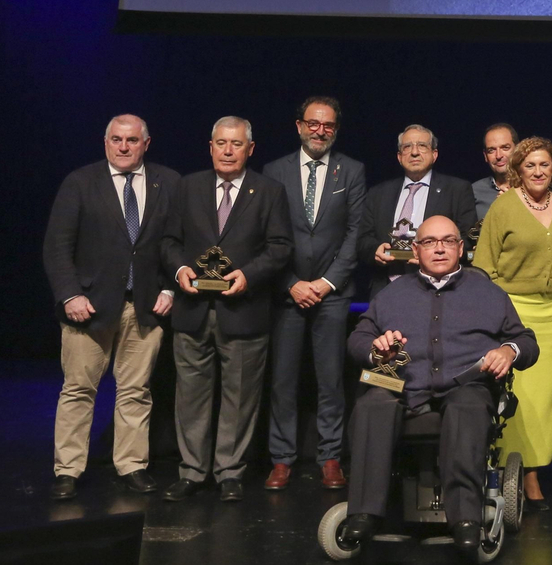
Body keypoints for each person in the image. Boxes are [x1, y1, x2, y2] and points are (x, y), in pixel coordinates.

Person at [336, 215, 539, 560]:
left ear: (461, 248)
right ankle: (364, 512)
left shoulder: (489, 293)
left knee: (467, 407)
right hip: (404, 383)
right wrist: (375, 348)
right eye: (430, 241)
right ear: (415, 250)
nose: (440, 247)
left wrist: (508, 350)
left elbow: (526, 342)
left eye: (448, 240)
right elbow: (358, 338)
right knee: (373, 403)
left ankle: (464, 519)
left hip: (467, 383)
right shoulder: (392, 294)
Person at [41, 114, 180, 499]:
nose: (123, 146)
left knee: (136, 390)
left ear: (145, 144)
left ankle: (132, 465)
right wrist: (70, 295)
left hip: (146, 307)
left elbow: (178, 243)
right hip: (89, 307)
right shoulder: (81, 182)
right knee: (78, 389)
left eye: (131, 140)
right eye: (116, 139)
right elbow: (57, 247)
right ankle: (68, 470)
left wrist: (170, 290)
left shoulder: (167, 182)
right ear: (105, 143)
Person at [161, 117, 293, 501]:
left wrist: (248, 275)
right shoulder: (187, 187)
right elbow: (168, 242)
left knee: (240, 398)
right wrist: (180, 268)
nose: (228, 150)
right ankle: (191, 472)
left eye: (236, 144)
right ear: (210, 146)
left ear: (250, 149)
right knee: (190, 396)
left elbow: (281, 247)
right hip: (192, 308)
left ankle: (229, 473)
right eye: (221, 143)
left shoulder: (268, 191)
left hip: (244, 310)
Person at [262, 95, 367, 492]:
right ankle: (282, 460)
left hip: (333, 293)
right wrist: (291, 282)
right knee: (283, 381)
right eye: (313, 123)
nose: (320, 131)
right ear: (299, 126)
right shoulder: (274, 171)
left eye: (328, 125)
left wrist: (325, 283)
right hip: (287, 290)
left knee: (330, 381)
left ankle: (330, 458)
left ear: (335, 130)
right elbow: (267, 233)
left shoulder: (351, 170)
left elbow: (355, 232)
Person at [475, 136, 552, 507]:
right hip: (514, 311)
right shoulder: (503, 208)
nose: (537, 171)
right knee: (516, 397)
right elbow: (482, 267)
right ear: (518, 169)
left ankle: (534, 468)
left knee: (546, 400)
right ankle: (516, 475)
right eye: (529, 165)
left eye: (544, 165)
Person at [362, 125, 478, 299]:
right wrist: (374, 250)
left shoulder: (458, 190)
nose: (414, 152)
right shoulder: (378, 193)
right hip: (386, 291)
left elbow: (467, 240)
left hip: (439, 291)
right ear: (399, 157)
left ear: (434, 154)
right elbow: (363, 239)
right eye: (407, 147)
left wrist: (432, 257)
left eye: (422, 146)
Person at [472, 123, 518, 219]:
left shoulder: (535, 187)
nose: (498, 156)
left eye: (505, 148)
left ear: (518, 150)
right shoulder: (474, 192)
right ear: (485, 156)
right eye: (491, 150)